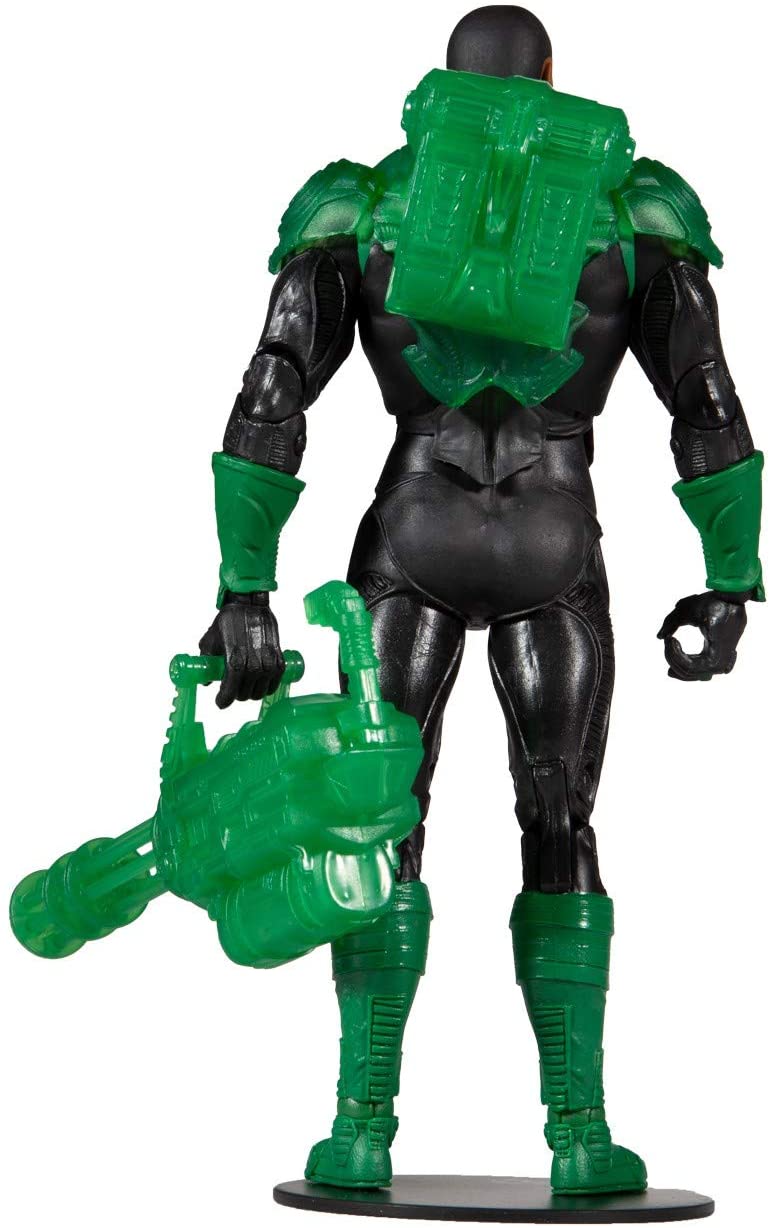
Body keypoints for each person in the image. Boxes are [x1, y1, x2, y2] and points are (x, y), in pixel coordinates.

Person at [200, 5, 763, 1195]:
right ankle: (578, 1136)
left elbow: (271, 394)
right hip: (553, 537)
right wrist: (728, 578)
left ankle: (360, 1127)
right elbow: (705, 401)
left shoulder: (362, 208)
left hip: (411, 530)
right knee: (559, 822)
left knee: (375, 826)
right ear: (553, 79)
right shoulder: (629, 213)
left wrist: (243, 588)